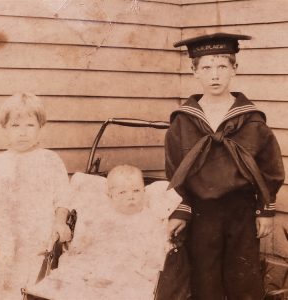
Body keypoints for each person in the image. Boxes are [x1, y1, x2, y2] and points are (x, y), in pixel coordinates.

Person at [165, 33, 285, 300]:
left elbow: (270, 168)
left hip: (241, 212)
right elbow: (174, 171)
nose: (214, 75)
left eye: (222, 67)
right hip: (200, 214)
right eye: (206, 67)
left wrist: (265, 210)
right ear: (193, 71)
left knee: (243, 281)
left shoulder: (252, 121)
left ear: (234, 69)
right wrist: (181, 209)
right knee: (203, 280)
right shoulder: (183, 122)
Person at [27, 165, 178, 300]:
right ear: (110, 196)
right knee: (75, 273)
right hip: (99, 258)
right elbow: (86, 241)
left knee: (129, 285)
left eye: (136, 190)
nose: (131, 196)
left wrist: (148, 269)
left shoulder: (149, 218)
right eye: (122, 192)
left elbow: (156, 248)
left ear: (144, 191)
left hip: (131, 264)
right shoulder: (102, 215)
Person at [0, 93, 72, 300]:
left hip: (37, 235)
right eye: (15, 126)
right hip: (3, 236)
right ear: (5, 128)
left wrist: (60, 222)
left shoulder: (50, 160)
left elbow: (63, 199)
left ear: (41, 128)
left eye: (30, 125)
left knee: (30, 284)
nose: (23, 133)